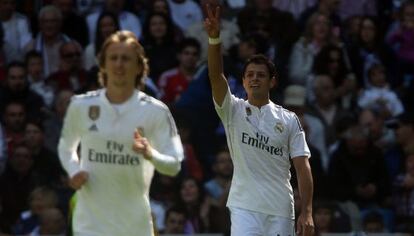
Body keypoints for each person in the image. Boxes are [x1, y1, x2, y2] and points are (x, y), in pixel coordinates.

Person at [58, 30, 184, 236]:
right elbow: (65, 147)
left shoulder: (156, 111)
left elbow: (174, 165)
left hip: (134, 225)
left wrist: (150, 154)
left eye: (126, 59)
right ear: (103, 64)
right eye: (113, 58)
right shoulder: (80, 105)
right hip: (90, 224)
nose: (119, 64)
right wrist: (73, 170)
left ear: (138, 67)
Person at [204, 3, 314, 236]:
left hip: (281, 210)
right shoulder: (232, 110)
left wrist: (307, 211)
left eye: (261, 75)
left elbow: (302, 168)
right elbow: (215, 76)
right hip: (245, 208)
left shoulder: (289, 119)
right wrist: (214, 39)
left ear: (272, 82)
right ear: (243, 81)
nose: (255, 79)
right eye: (250, 75)